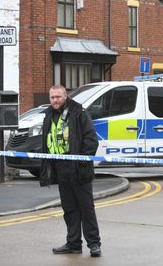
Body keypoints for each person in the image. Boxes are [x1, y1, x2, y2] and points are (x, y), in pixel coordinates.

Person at [39, 85, 102, 257]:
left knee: (86, 208)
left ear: (65, 96)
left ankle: (94, 244)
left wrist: (81, 162)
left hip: (78, 167)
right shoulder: (49, 115)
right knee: (69, 208)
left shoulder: (78, 112)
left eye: (58, 97)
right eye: (52, 97)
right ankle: (73, 243)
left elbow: (91, 139)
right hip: (61, 167)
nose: (55, 100)